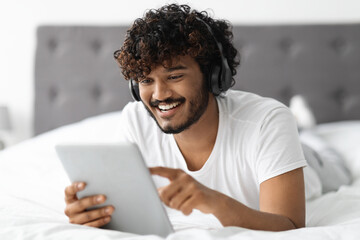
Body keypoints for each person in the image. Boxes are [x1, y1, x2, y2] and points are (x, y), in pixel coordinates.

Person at [64, 4, 307, 231]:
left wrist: (213, 201)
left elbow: (290, 226)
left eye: (174, 76)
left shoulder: (268, 121)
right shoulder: (135, 121)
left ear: (213, 75)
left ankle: (306, 124)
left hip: (318, 165)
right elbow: (120, 213)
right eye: (147, 81)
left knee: (316, 147)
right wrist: (94, 213)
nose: (160, 95)